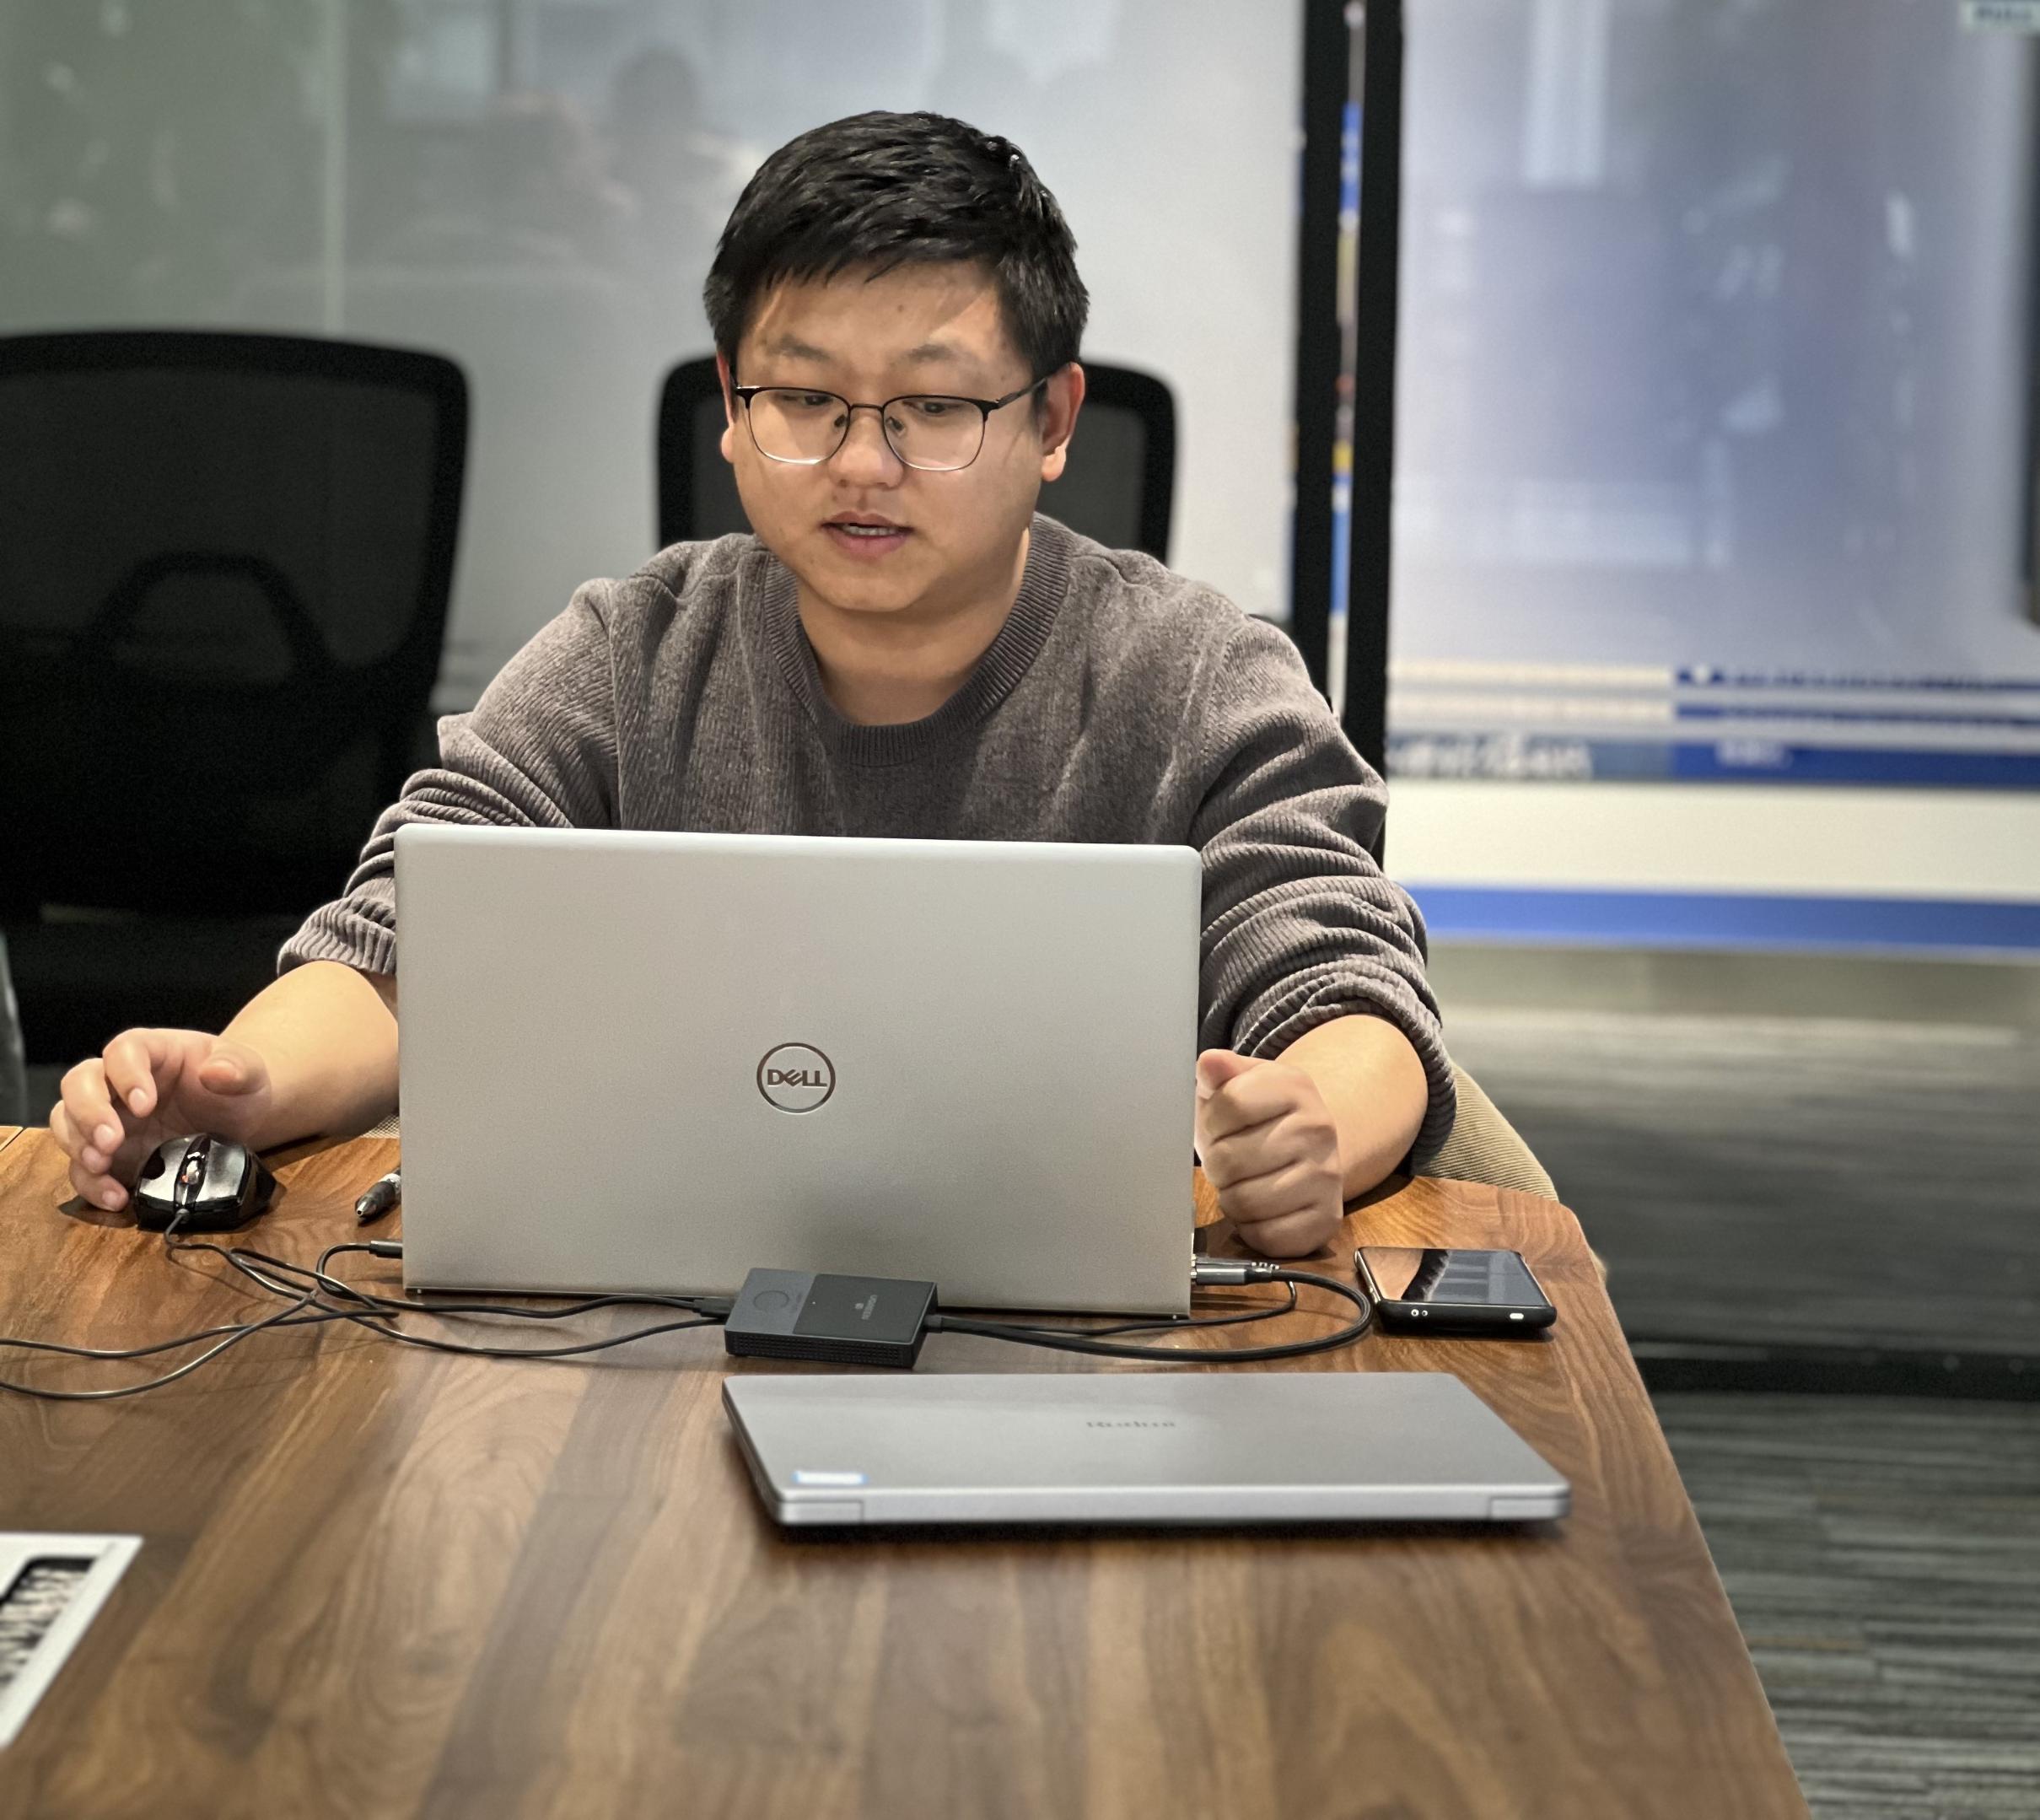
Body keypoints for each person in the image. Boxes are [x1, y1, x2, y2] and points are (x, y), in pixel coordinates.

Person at [49, 110, 1455, 1261]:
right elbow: (413, 940)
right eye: (805, 399)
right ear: (731, 408)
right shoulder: (634, 652)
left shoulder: (1192, 673)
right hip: (662, 1321)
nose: (862, 462)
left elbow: (1341, 977)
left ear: (1053, 419)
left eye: (934, 407)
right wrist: (235, 1084)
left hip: (1089, 1341)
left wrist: (1312, 1131)